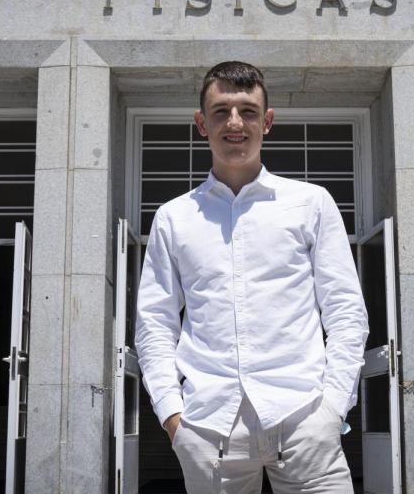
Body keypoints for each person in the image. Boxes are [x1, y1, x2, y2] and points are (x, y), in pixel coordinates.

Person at [134, 61, 369, 493]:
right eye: (221, 111)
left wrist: (334, 406)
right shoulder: (174, 217)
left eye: (248, 110)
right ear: (201, 124)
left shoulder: (311, 203)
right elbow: (155, 324)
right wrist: (173, 417)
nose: (235, 123)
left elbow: (345, 312)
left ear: (268, 121)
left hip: (304, 419)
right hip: (208, 427)